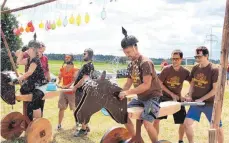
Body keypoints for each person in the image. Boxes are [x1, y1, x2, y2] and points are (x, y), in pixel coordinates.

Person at [118, 27, 162, 143]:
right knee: (122, 114)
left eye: (128, 52)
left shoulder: (145, 63)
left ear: (135, 47)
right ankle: (138, 140)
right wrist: (119, 94)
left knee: (147, 123)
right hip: (140, 98)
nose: (127, 55)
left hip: (153, 98)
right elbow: (128, 82)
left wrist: (127, 93)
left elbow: (146, 85)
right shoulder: (131, 65)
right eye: (125, 53)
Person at [184, 46, 224, 143]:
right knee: (186, 123)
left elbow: (215, 90)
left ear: (206, 56)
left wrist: (202, 99)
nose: (197, 59)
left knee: (217, 127)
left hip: (210, 103)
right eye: (196, 57)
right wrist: (189, 95)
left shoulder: (214, 69)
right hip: (196, 103)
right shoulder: (195, 68)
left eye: (199, 57)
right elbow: (193, 83)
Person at [153, 50, 190, 143]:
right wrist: (172, 94)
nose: (174, 61)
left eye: (177, 59)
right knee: (156, 120)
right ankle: (155, 141)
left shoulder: (185, 71)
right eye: (173, 59)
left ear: (181, 59)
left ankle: (180, 141)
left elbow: (192, 83)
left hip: (177, 99)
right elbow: (159, 84)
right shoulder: (166, 69)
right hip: (163, 98)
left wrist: (187, 95)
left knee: (183, 122)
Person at [15, 40, 47, 121]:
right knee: (23, 89)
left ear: (32, 49)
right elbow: (18, 62)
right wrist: (22, 51)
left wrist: (18, 79)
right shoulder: (29, 59)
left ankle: (37, 122)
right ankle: (30, 118)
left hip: (40, 84)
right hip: (33, 83)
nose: (27, 51)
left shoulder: (35, 60)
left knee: (35, 101)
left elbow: (29, 72)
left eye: (28, 49)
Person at [73, 48, 94, 137]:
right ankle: (86, 126)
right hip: (83, 90)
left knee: (81, 110)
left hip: (82, 91)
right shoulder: (89, 65)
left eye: (84, 54)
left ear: (89, 55)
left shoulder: (87, 66)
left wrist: (75, 86)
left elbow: (84, 79)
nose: (83, 55)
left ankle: (83, 129)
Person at [57, 54, 78, 130]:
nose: (67, 58)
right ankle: (59, 125)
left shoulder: (75, 69)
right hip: (63, 91)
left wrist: (67, 86)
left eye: (68, 57)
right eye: (66, 57)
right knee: (61, 108)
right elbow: (59, 78)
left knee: (74, 108)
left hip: (72, 91)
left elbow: (74, 80)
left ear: (72, 58)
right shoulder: (62, 68)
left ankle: (77, 123)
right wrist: (57, 83)